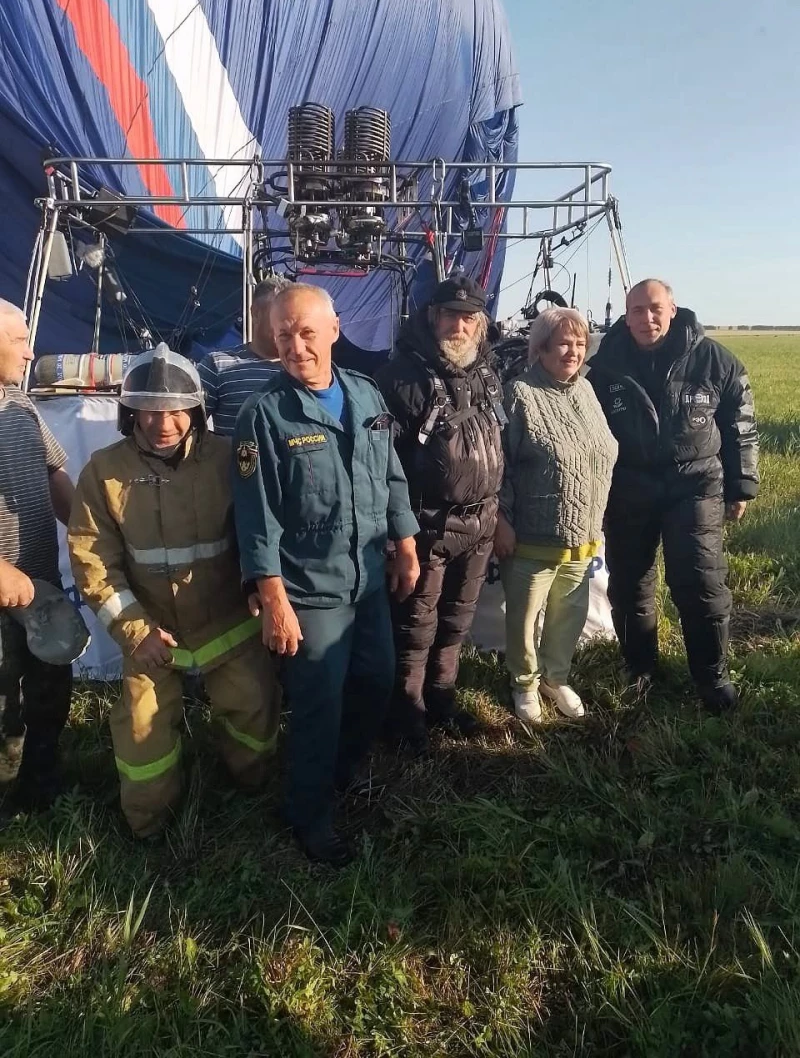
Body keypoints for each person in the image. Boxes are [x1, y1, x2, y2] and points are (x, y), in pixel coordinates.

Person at [233, 284, 420, 867]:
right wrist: (273, 598)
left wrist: (406, 544)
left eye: (307, 333)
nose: (296, 347)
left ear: (335, 331)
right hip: (309, 589)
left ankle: (340, 770)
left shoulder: (365, 393)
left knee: (376, 680)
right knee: (319, 704)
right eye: (283, 335)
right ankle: (307, 814)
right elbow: (256, 514)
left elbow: (390, 474)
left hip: (367, 578)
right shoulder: (264, 414)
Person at [68, 344, 279, 838]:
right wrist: (136, 633)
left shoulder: (229, 458)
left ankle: (254, 793)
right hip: (151, 634)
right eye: (151, 411)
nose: (164, 423)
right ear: (130, 413)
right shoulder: (103, 471)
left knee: (254, 707)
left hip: (228, 627)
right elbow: (93, 560)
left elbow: (261, 529)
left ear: (197, 411)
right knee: (142, 731)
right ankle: (150, 828)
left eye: (176, 411)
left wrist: (262, 592)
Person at [587, 279, 759, 712]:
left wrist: (741, 486)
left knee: (700, 580)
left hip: (695, 484)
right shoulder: (605, 364)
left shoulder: (714, 359)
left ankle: (712, 678)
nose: (647, 318)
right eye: (637, 310)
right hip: (629, 485)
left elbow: (740, 426)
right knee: (630, 584)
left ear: (673, 309)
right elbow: (587, 434)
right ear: (626, 316)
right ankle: (640, 667)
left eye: (655, 308)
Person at [375, 275, 505, 751]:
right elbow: (382, 466)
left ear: (480, 323)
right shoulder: (400, 378)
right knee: (415, 628)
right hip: (425, 526)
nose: (459, 325)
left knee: (456, 621)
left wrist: (499, 514)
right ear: (432, 317)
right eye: (450, 314)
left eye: (469, 317)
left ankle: (442, 701)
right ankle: (406, 717)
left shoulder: (487, 373)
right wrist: (399, 538)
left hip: (482, 521)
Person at [494, 308, 618, 724]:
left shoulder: (586, 391)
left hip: (584, 533)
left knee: (568, 616)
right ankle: (524, 683)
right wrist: (501, 519)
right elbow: (499, 465)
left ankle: (555, 677)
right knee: (524, 620)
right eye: (564, 343)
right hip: (532, 536)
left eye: (580, 344)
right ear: (541, 348)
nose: (573, 351)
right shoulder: (519, 394)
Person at [0, 300, 75, 811]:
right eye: (19, 341)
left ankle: (41, 788)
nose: (30, 353)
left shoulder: (20, 404)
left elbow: (54, 475)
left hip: (41, 585)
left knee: (51, 689)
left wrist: (91, 530)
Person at [196, 275, 288, 435]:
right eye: (279, 314)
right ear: (256, 313)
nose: (287, 323)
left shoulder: (305, 367)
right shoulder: (217, 365)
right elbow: (190, 428)